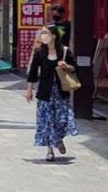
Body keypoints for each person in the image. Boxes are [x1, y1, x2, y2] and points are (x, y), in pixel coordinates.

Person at [26, 25, 79, 162]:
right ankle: (50, 150)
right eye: (42, 33)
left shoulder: (65, 51)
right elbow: (32, 72)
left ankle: (59, 139)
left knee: (62, 120)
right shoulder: (39, 52)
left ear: (54, 36)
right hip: (45, 92)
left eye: (45, 33)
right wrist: (29, 89)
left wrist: (67, 66)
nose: (42, 35)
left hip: (61, 92)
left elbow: (75, 69)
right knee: (47, 122)